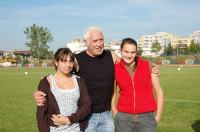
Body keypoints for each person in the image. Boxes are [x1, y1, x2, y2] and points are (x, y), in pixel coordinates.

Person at [34, 26, 160, 132]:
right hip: (87, 117)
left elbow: (130, 60)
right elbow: (60, 73)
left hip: (107, 116)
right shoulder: (77, 60)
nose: (99, 44)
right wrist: (39, 90)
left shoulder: (111, 56)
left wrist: (150, 66)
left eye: (101, 40)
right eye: (95, 41)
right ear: (86, 42)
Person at [111, 38, 164, 132]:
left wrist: (158, 116)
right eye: (126, 52)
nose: (129, 55)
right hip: (123, 118)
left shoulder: (147, 65)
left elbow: (159, 92)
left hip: (146, 118)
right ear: (120, 51)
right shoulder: (116, 68)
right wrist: (115, 111)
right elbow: (113, 93)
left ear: (136, 52)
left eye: (132, 52)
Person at [36, 48, 91, 132]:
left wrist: (69, 119)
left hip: (76, 128)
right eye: (64, 61)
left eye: (70, 61)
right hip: (54, 129)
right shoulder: (46, 82)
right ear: (56, 62)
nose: (68, 65)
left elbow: (87, 106)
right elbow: (41, 112)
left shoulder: (79, 81)